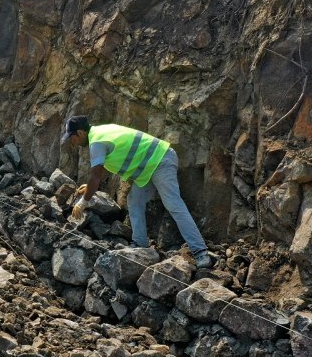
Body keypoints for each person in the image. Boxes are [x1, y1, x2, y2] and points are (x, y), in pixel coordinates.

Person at [60, 115, 213, 268]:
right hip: (147, 169)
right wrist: (90, 186)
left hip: (160, 160)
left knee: (173, 204)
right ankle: (140, 244)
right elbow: (103, 167)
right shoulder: (101, 132)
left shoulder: (97, 142)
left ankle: (200, 252)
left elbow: (96, 177)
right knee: (134, 201)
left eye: (72, 138)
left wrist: (83, 202)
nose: (72, 143)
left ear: (80, 133)